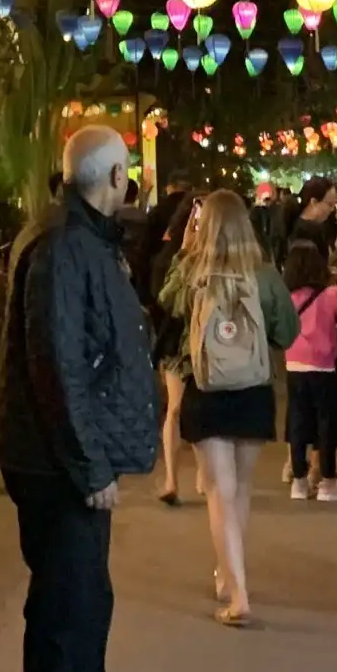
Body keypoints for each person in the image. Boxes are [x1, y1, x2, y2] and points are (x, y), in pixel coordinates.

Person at [0, 126, 162, 672]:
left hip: (73, 452)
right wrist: (89, 465)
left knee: (89, 596)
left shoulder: (86, 238)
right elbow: (56, 363)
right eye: (129, 173)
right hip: (55, 459)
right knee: (64, 601)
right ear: (114, 176)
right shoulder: (65, 244)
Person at [175, 190, 298, 624]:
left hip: (205, 390)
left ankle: (237, 590)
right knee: (240, 491)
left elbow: (165, 318)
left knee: (218, 493)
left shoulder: (190, 273)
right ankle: (229, 576)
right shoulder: (264, 275)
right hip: (253, 388)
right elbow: (288, 330)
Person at [280, 239, 337, 501]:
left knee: (299, 422)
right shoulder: (331, 295)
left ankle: (298, 482)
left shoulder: (287, 297)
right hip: (323, 367)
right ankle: (327, 481)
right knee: (326, 424)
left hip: (293, 364)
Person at [142, 189, 202, 505]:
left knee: (201, 410)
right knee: (176, 409)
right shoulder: (169, 258)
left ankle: (204, 473)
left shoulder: (221, 257)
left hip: (210, 345)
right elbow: (163, 301)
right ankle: (171, 480)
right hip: (178, 344)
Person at [282, 175, 337, 266]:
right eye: (330, 204)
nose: (332, 209)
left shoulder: (296, 224)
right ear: (314, 202)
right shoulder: (311, 231)